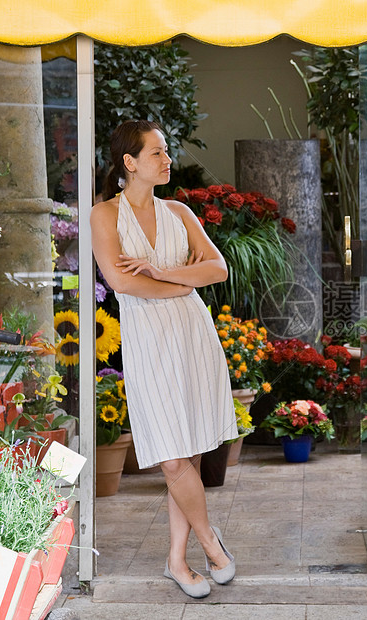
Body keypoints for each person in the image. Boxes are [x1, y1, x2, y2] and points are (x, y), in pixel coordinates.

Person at [91, 120, 237, 598]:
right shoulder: (103, 216)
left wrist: (165, 270)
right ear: (129, 162)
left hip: (192, 334)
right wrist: (180, 282)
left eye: (166, 151)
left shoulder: (178, 211)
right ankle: (210, 542)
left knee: (189, 449)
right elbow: (122, 282)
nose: (167, 159)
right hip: (147, 339)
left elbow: (217, 267)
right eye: (156, 152)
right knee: (173, 459)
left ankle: (177, 560)